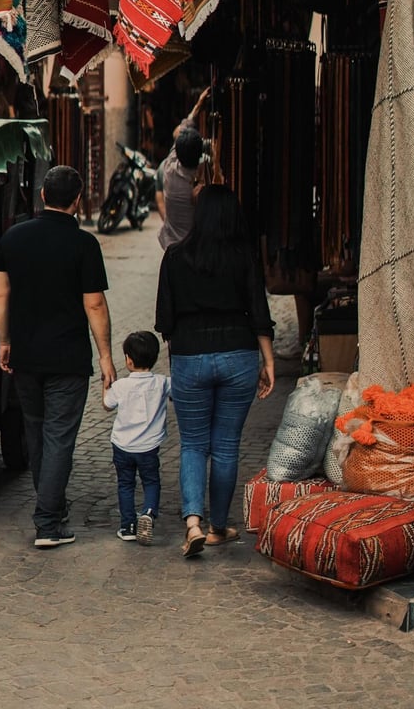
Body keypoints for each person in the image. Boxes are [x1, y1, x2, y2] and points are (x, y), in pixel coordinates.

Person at [0, 165, 117, 549]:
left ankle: (54, 508)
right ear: (77, 201)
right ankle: (47, 522)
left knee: (37, 432)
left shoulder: (12, 238)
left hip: (26, 355)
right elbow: (94, 304)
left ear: (43, 195)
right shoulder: (84, 245)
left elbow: (0, 295)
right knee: (59, 438)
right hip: (67, 358)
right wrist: (106, 357)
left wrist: (4, 341)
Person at [155, 184, 275, 558]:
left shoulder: (175, 256)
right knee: (225, 446)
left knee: (193, 444)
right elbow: (259, 313)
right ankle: (218, 527)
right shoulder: (244, 257)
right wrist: (269, 362)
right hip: (238, 354)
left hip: (190, 355)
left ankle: (193, 523)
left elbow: (165, 321)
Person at [103, 330, 170, 546]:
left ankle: (128, 527)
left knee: (125, 484)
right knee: (151, 481)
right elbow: (179, 392)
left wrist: (105, 385)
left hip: (122, 446)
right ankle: (149, 512)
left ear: (128, 360)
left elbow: (107, 405)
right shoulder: (162, 383)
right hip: (148, 447)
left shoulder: (121, 386)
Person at [155, 86, 210, 231]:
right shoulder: (199, 187)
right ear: (199, 155)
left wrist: (198, 105)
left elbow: (179, 132)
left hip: (170, 241)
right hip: (192, 242)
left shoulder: (169, 167)